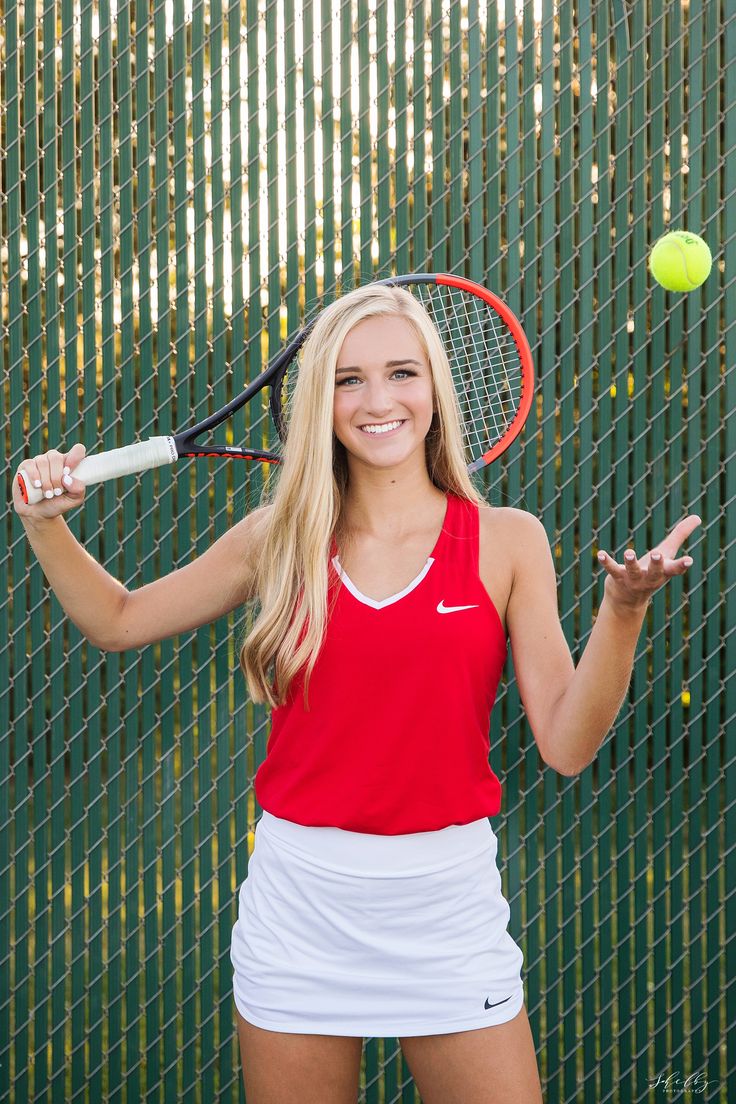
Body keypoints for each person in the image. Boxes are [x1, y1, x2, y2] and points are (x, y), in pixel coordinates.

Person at [14, 284, 699, 1104]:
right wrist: (45, 522)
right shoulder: (279, 536)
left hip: (448, 909)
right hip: (301, 906)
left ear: (436, 392)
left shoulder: (508, 541)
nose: (378, 401)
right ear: (322, 404)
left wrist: (621, 614)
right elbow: (119, 621)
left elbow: (566, 743)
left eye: (401, 373)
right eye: (348, 379)